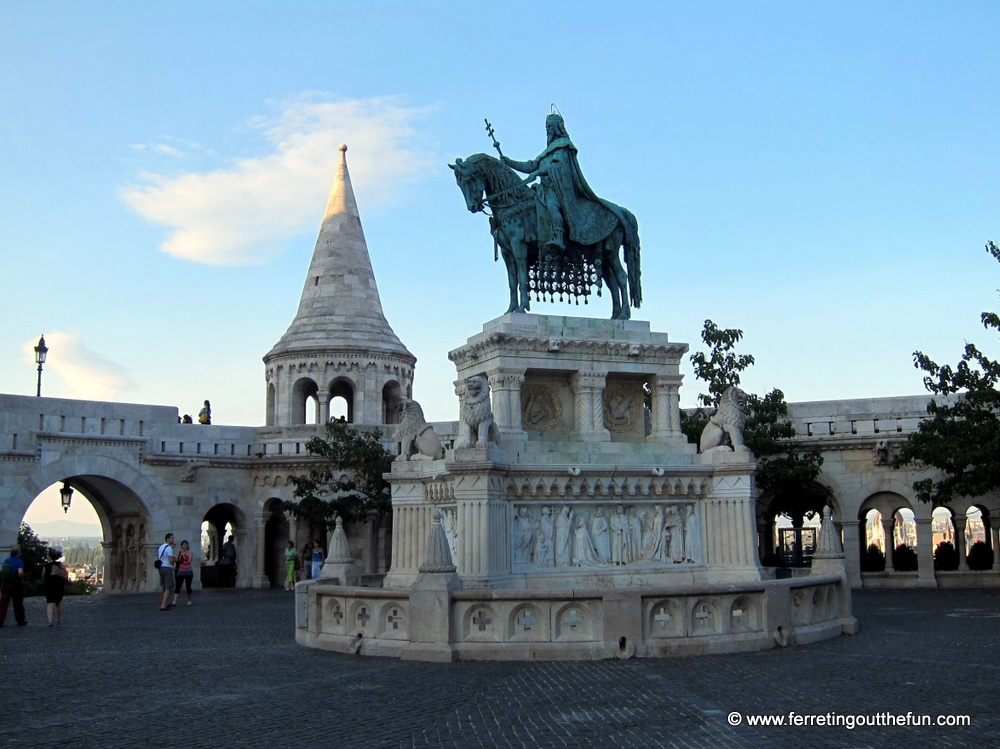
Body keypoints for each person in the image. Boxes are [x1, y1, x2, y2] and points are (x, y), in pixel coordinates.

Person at [500, 111, 619, 252]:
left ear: (557, 127)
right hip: (544, 189)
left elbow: (557, 165)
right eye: (546, 127)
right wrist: (509, 162)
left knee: (552, 206)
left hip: (558, 190)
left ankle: (559, 238)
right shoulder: (547, 151)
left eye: (550, 126)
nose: (548, 130)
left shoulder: (563, 145)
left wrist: (538, 172)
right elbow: (531, 165)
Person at [0, 545, 26, 627]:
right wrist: (23, 577)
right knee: (18, 603)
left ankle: (0, 621)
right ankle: (20, 620)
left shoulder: (6, 561)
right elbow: (20, 572)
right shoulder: (19, 561)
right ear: (18, 553)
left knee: (3, 603)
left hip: (5, 584)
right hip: (16, 584)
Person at [42, 547, 69, 626]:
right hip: (59, 585)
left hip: (49, 585)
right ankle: (58, 619)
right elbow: (65, 572)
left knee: (49, 603)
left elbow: (43, 575)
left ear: (49, 556)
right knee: (58, 603)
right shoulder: (60, 564)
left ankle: (50, 621)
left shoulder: (46, 566)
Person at [156, 533, 176, 611]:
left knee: (164, 586)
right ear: (167, 539)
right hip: (167, 567)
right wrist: (175, 560)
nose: (173, 540)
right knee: (169, 587)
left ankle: (165, 603)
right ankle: (163, 605)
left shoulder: (161, 547)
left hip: (161, 568)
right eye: (172, 538)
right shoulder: (169, 548)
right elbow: (171, 560)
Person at [172, 540, 194, 606]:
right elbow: (177, 561)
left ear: (187, 545)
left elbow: (189, 561)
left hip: (188, 571)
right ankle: (174, 601)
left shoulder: (190, 553)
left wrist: (181, 560)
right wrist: (175, 563)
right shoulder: (179, 553)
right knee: (178, 586)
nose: (184, 546)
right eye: (183, 544)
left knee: (188, 586)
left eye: (185, 544)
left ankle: (189, 600)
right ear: (181, 546)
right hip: (181, 571)